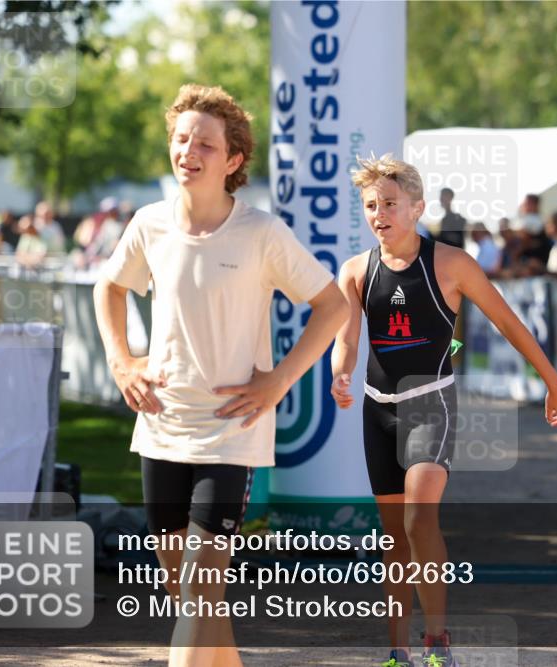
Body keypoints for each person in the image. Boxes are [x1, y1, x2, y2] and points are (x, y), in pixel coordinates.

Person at [93, 84, 346, 667]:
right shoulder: (149, 224)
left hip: (232, 433)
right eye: (181, 139)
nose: (189, 151)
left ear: (233, 160)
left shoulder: (262, 233)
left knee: (198, 592)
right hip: (161, 427)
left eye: (205, 144)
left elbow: (333, 306)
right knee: (190, 597)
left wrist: (279, 381)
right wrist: (121, 361)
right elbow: (109, 287)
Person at [331, 154, 557, 667]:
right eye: (370, 205)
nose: (379, 214)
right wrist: (339, 371)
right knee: (394, 535)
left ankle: (437, 642)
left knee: (419, 518)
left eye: (389, 203)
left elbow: (508, 322)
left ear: (417, 208)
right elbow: (345, 339)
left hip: (430, 402)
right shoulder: (355, 271)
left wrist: (552, 381)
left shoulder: (451, 264)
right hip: (378, 409)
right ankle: (397, 651)